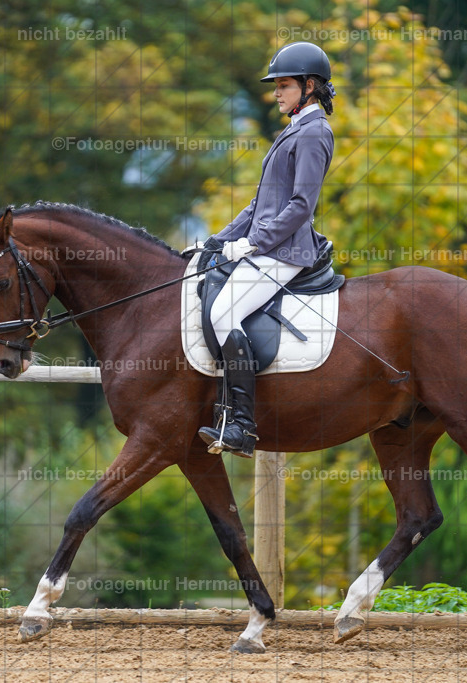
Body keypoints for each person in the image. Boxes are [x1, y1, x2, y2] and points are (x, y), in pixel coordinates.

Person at [198, 41, 337, 458]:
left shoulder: (315, 133)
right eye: (276, 85)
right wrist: (218, 241)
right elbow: (259, 205)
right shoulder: (293, 130)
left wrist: (253, 243)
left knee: (225, 313)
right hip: (267, 247)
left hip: (286, 253)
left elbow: (300, 206)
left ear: (310, 86)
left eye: (284, 85)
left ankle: (241, 425)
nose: (276, 92)